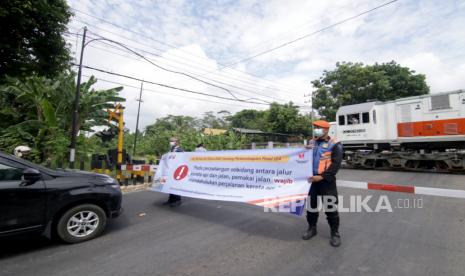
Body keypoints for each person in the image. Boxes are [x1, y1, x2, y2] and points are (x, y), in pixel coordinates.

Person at [302, 120, 343, 247]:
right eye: (315, 127)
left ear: (326, 130)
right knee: (311, 207)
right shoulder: (311, 142)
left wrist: (322, 177)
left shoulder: (335, 144)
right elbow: (302, 158)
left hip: (326, 182)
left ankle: (335, 233)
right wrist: (304, 150)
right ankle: (312, 228)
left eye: (318, 127)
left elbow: (336, 165)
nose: (315, 129)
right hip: (311, 182)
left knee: (331, 208)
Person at [162, 137, 183, 207]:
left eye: (172, 141)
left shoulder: (180, 150)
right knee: (170, 185)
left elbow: (181, 160)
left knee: (176, 185)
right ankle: (170, 200)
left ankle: (177, 200)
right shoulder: (171, 150)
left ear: (177, 142)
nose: (170, 142)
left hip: (176, 170)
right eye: (170, 141)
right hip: (170, 170)